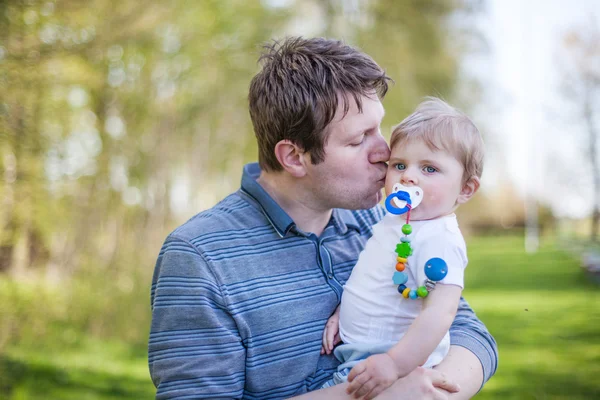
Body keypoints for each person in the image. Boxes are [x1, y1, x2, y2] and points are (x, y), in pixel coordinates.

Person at [148, 37, 497, 400]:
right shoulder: (199, 258)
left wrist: (432, 393)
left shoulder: (382, 222)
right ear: (295, 157)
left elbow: (468, 332)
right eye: (360, 138)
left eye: (380, 128)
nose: (385, 152)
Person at [319, 97, 485, 399]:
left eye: (430, 169)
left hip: (385, 366)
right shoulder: (394, 221)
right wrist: (344, 313)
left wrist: (394, 365)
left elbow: (440, 312)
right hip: (361, 356)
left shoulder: (438, 239)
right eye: (399, 165)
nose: (408, 176)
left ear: (465, 189)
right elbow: (376, 277)